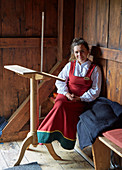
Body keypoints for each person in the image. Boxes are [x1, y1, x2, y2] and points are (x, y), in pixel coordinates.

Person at [37, 38, 102, 160]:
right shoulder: (70, 65)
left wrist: (80, 98)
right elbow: (60, 82)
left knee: (62, 108)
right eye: (76, 52)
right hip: (66, 95)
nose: (79, 55)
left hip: (81, 101)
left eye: (82, 51)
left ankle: (44, 134)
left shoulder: (95, 69)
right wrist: (67, 94)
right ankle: (47, 136)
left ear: (88, 52)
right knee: (60, 104)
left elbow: (95, 90)